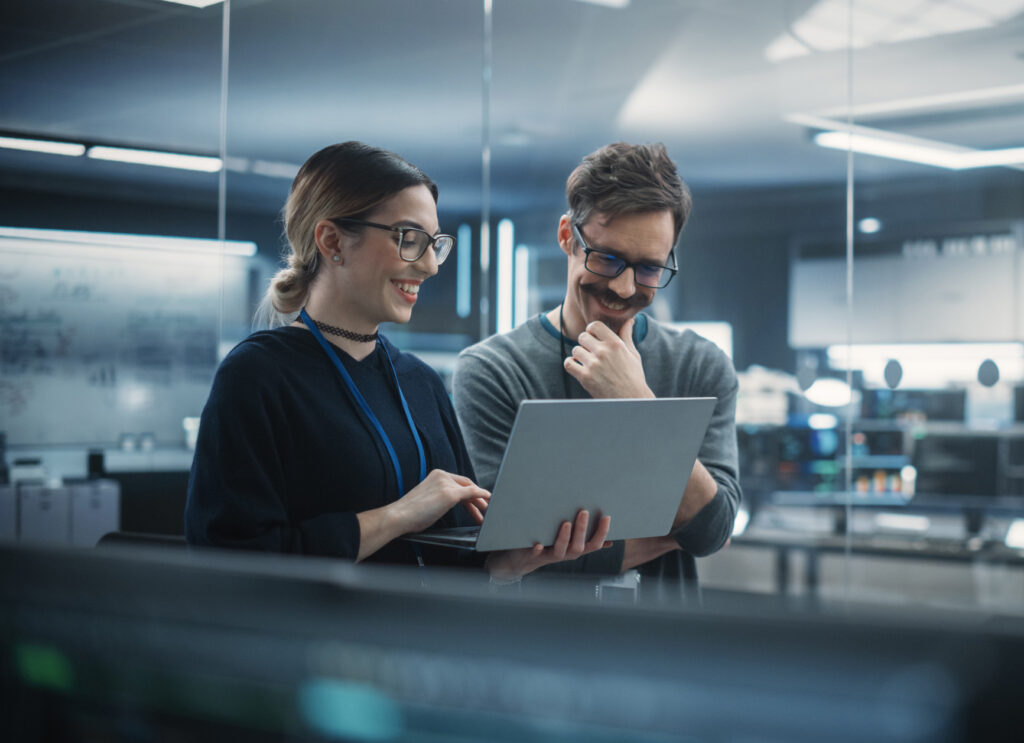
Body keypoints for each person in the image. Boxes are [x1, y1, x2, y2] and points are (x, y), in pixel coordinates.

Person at [185, 142, 608, 576]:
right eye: (409, 239)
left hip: (424, 639)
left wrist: (511, 560)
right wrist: (398, 515)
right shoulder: (257, 377)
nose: (429, 266)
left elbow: (458, 561)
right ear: (332, 241)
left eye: (434, 244)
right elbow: (230, 564)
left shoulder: (419, 382)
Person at [452, 142, 740, 594]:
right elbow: (503, 549)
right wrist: (672, 531)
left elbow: (712, 531)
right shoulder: (491, 370)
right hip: (540, 648)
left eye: (649, 269)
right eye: (607, 258)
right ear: (567, 236)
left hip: (662, 650)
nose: (625, 287)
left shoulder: (701, 364)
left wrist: (637, 402)